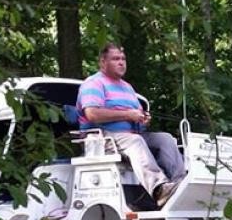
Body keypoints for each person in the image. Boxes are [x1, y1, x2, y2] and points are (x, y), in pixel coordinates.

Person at [76, 43, 185, 207]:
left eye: (123, 59)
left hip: (130, 135)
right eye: (115, 59)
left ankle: (180, 184)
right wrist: (128, 114)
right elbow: (92, 114)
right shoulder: (94, 83)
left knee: (165, 139)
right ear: (103, 62)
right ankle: (159, 189)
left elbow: (136, 118)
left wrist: (142, 119)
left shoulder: (127, 87)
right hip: (102, 137)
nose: (121, 62)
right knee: (135, 141)